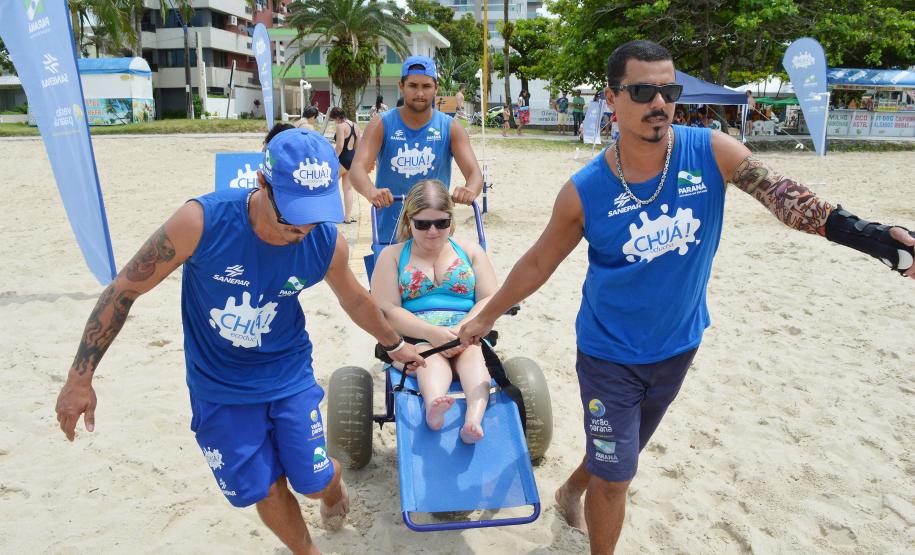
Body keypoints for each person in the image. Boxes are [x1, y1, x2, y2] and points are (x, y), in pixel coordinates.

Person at [457, 40, 915, 554]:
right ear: (613, 98)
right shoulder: (584, 190)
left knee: (619, 451)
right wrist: (485, 314)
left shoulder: (711, 151)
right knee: (617, 476)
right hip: (609, 355)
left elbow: (790, 201)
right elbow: (540, 261)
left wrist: (872, 238)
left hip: (678, 346)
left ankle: (569, 490)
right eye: (643, 90)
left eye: (668, 90)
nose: (659, 102)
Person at [55, 128, 426, 555]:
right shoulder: (200, 222)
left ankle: (330, 486)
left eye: (315, 213)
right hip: (219, 386)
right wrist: (79, 378)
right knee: (265, 488)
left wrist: (395, 345)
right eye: (292, 214)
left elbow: (356, 300)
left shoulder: (323, 241)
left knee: (313, 479)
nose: (303, 227)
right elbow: (124, 290)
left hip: (286, 373)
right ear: (262, 183)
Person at [371, 180, 497, 444]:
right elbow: (388, 310)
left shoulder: (470, 251)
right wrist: (434, 334)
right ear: (409, 220)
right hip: (417, 338)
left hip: (467, 333)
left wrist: (464, 330)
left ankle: (474, 418)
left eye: (441, 223)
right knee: (429, 360)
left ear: (451, 220)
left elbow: (490, 299)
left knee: (475, 358)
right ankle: (434, 407)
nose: (432, 231)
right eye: (422, 224)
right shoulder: (392, 256)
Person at [349, 55, 483, 245]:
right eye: (413, 85)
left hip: (434, 233)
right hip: (390, 235)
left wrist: (470, 190)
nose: (420, 93)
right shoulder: (381, 124)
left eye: (426, 86)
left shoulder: (450, 127)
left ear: (436, 88)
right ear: (401, 86)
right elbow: (357, 168)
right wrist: (371, 191)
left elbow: (474, 173)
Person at [330, 106, 360, 224]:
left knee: (330, 186)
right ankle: (347, 217)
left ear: (337, 117)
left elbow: (340, 146)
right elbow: (358, 145)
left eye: (334, 119)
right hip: (352, 159)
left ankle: (331, 214)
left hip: (342, 159)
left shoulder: (340, 126)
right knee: (348, 189)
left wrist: (332, 158)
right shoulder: (355, 125)